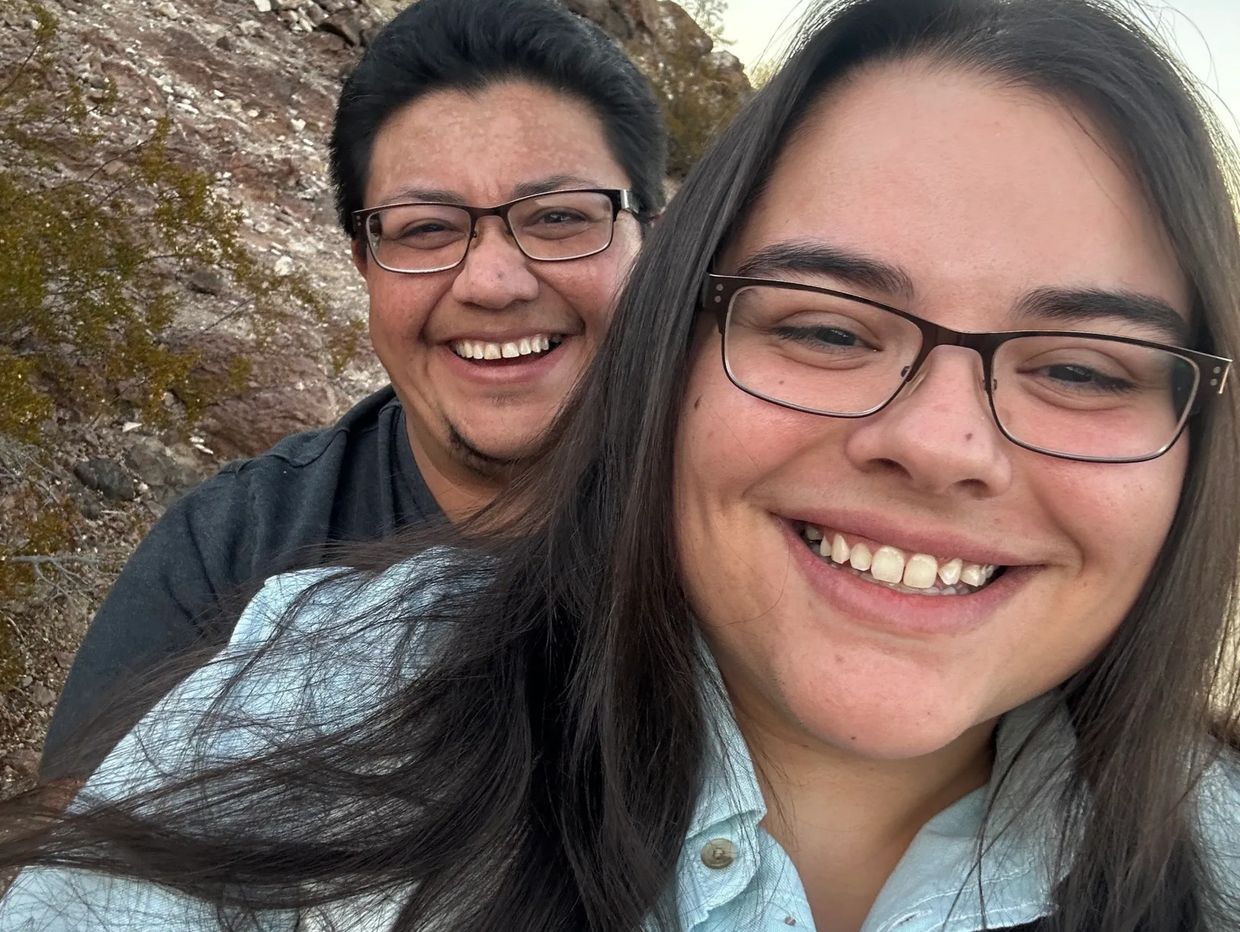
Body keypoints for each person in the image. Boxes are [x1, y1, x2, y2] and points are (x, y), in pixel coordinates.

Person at [5, 0, 1240, 929]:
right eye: (823, 326)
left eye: (1082, 367)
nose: (936, 441)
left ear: (660, 261)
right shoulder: (293, 646)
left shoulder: (1206, 843)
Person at [39, 0, 667, 778]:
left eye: (560, 218)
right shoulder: (230, 557)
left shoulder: (748, 520)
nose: (494, 282)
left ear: (655, 239)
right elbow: (84, 867)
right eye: (427, 229)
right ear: (364, 263)